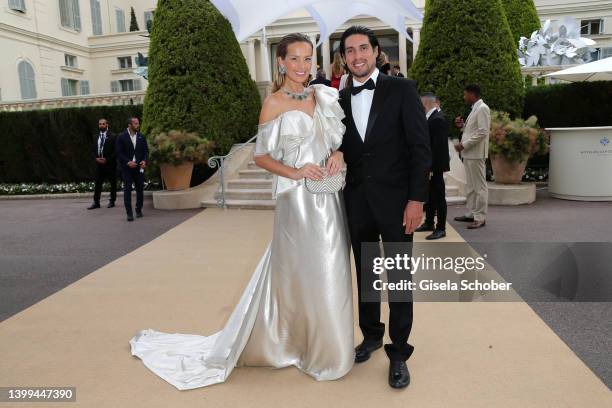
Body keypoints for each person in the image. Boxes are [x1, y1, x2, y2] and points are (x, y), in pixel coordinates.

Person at [129, 33, 354, 390]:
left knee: (332, 265)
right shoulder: (273, 103)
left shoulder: (321, 95)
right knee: (304, 268)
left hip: (327, 195)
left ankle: (325, 344)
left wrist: (338, 155)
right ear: (280, 62)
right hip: (296, 200)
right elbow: (262, 156)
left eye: (307, 59)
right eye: (294, 59)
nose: (302, 66)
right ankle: (308, 347)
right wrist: (295, 171)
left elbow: (333, 141)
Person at [328, 25, 431, 389]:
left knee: (400, 280)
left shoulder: (402, 89)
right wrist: (336, 153)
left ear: (376, 52)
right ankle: (371, 335)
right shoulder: (336, 100)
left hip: (399, 203)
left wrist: (417, 200)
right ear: (344, 58)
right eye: (349, 51)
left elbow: (421, 149)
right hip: (358, 204)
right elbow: (342, 147)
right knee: (366, 275)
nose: (356, 56)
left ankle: (399, 350)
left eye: (362, 49)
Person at [453, 84, 490, 229]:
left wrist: (463, 145)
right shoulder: (475, 108)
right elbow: (473, 130)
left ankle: (480, 217)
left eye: (465, 94)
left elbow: (482, 132)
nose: (464, 97)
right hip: (469, 153)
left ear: (472, 94)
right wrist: (462, 126)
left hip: (476, 153)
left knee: (479, 187)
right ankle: (471, 214)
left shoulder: (482, 108)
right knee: (471, 186)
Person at [415, 93, 450, 240]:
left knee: (439, 196)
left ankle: (440, 228)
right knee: (429, 196)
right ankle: (429, 222)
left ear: (426, 103)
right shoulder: (431, 118)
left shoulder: (437, 119)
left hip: (435, 166)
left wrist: (431, 167)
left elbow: (438, 147)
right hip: (430, 165)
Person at [115, 117, 148, 222]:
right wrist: (128, 162)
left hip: (139, 168)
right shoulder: (121, 137)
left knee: (140, 190)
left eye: (138, 123)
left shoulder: (141, 136)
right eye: (136, 123)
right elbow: (119, 153)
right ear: (129, 125)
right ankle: (129, 213)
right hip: (127, 169)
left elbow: (146, 151)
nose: (138, 125)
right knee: (127, 190)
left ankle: (138, 210)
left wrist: (144, 161)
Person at [88, 118, 117, 210]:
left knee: (112, 183)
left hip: (110, 164)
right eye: (100, 124)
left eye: (103, 124)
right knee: (98, 183)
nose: (101, 125)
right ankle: (96, 202)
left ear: (107, 125)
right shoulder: (95, 137)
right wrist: (96, 159)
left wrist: (107, 160)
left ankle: (112, 201)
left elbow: (116, 151)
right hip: (98, 164)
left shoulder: (113, 136)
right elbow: (92, 150)